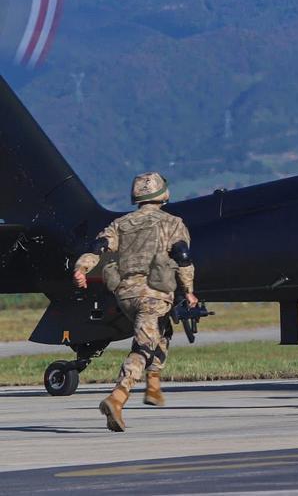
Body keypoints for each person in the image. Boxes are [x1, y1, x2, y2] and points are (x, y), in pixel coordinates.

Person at [72, 172, 196, 433]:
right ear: (163, 194)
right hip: (154, 294)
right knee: (143, 346)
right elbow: (182, 255)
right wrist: (189, 291)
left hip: (126, 293)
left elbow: (99, 246)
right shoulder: (173, 223)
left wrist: (82, 268)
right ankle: (118, 396)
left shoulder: (120, 223)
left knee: (161, 331)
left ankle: (153, 385)